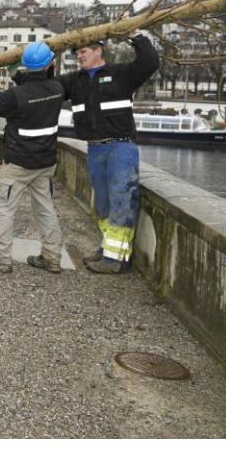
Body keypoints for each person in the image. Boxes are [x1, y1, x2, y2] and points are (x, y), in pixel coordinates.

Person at [58, 34, 159, 274]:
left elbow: (150, 62)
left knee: (121, 201)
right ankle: (108, 248)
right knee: (103, 204)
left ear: (98, 51)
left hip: (120, 148)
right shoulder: (74, 80)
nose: (78, 56)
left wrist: (136, 37)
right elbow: (46, 88)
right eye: (76, 53)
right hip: (95, 148)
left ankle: (116, 261)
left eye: (83, 51)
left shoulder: (122, 73)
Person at [0, 42, 65, 274]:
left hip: (19, 163)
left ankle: (1, 258)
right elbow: (33, 88)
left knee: (3, 207)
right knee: (45, 209)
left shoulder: (17, 96)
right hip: (45, 162)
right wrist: (15, 74)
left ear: (27, 65)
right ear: (50, 64)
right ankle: (52, 258)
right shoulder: (57, 89)